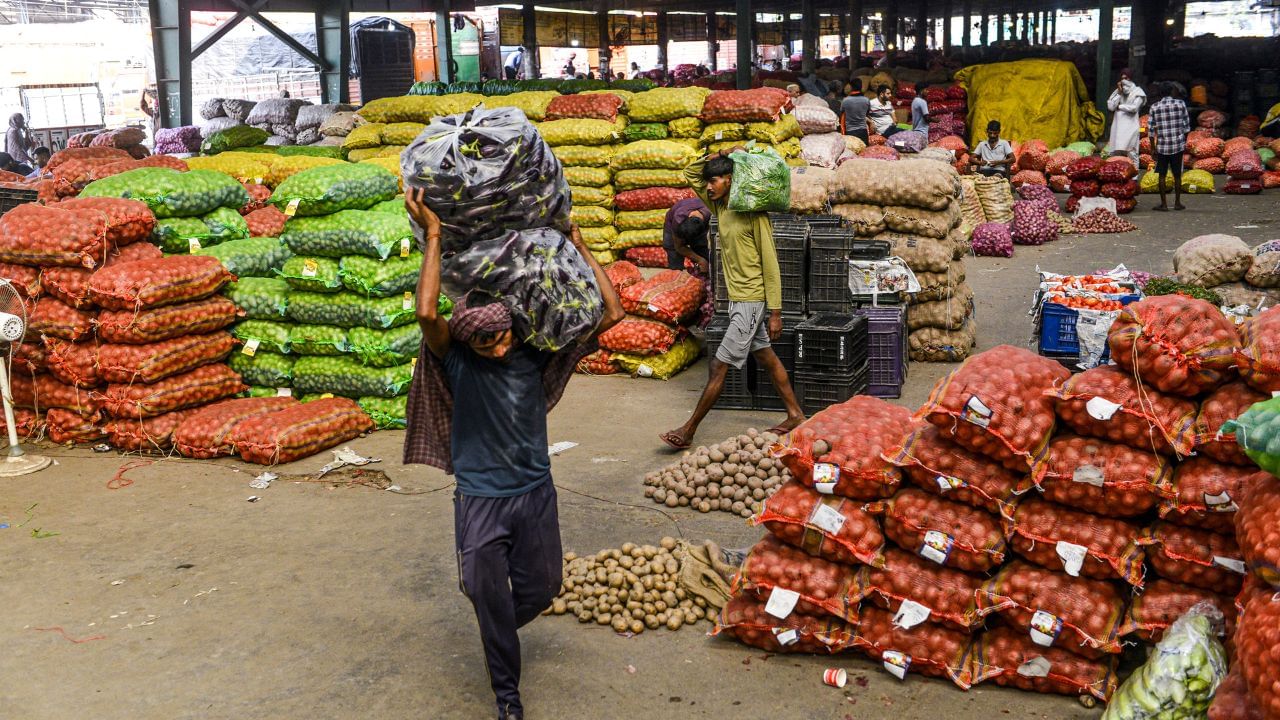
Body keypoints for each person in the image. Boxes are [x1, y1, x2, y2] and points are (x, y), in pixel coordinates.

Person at [403, 189, 623, 720]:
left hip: (534, 492)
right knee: (484, 590)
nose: (497, 350)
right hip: (481, 498)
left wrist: (578, 245)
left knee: (543, 590)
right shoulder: (455, 360)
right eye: (486, 345)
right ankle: (508, 695)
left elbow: (612, 312)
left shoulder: (535, 356)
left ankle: (495, 625)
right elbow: (428, 311)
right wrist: (433, 234)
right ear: (466, 342)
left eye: (502, 339)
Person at [660, 149, 805, 450]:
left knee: (719, 366)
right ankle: (795, 414)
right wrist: (716, 155)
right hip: (738, 301)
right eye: (709, 182)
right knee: (765, 355)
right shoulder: (721, 207)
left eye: (715, 180)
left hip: (752, 302)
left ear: (730, 180)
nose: (709, 186)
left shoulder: (754, 215)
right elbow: (690, 173)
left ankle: (688, 430)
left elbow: (771, 264)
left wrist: (775, 312)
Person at [1148, 81, 1191, 212]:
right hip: (1177, 145)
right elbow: (1187, 127)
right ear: (1172, 91)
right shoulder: (1181, 104)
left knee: (1162, 175)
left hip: (1162, 146)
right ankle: (1177, 203)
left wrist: (1153, 148)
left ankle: (1164, 204)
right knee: (1177, 175)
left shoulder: (1154, 107)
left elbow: (1150, 131)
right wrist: (1184, 141)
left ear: (1160, 93)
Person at [1108, 69, 1146, 167]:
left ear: (1131, 79)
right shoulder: (1117, 92)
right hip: (1117, 128)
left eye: (1126, 78)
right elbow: (1111, 107)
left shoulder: (1138, 92)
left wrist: (1120, 107)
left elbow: (1134, 108)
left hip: (1131, 128)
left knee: (1132, 153)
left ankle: (1134, 178)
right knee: (1116, 154)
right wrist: (1119, 94)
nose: (1124, 81)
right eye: (1122, 78)